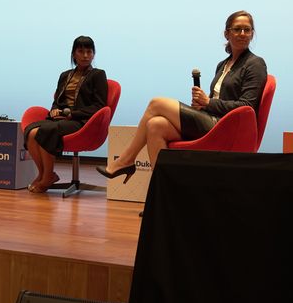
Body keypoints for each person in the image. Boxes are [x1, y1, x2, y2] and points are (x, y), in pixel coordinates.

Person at [97, 10, 268, 181]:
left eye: (247, 30)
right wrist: (202, 103)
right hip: (211, 119)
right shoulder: (223, 64)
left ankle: (126, 160)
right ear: (227, 33)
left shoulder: (255, 64)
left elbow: (247, 107)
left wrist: (208, 103)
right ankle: (164, 194)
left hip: (226, 127)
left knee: (156, 103)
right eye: (237, 29)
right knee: (155, 125)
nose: (243, 34)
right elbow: (216, 99)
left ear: (252, 33)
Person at [24, 36, 108, 193]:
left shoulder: (98, 75)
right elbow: (57, 100)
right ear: (74, 54)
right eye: (81, 51)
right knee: (31, 131)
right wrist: (54, 110)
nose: (85, 55)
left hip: (82, 121)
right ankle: (44, 174)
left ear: (93, 54)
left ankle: (47, 176)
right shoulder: (65, 75)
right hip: (61, 119)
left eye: (89, 52)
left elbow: (99, 106)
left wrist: (73, 114)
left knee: (46, 131)